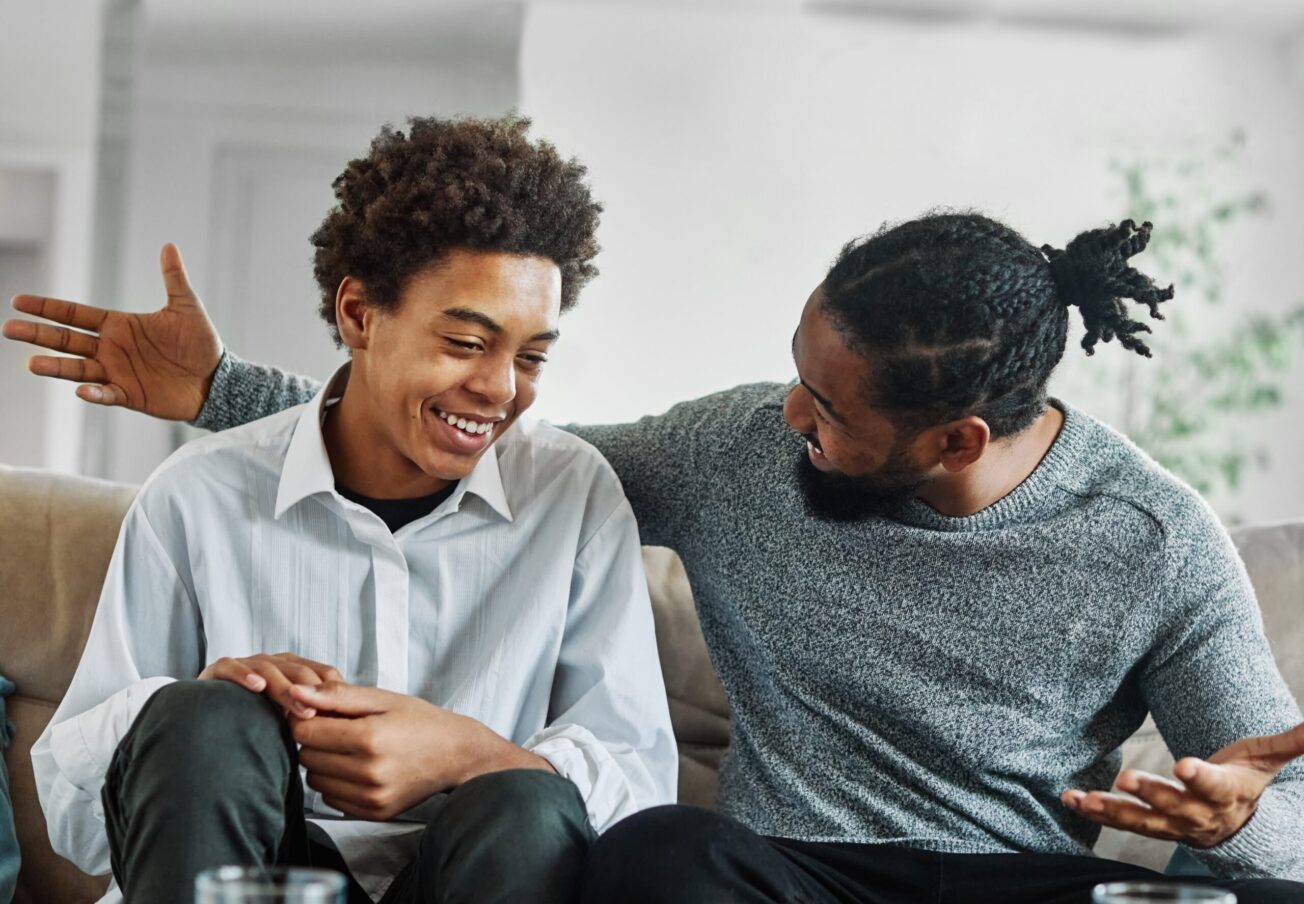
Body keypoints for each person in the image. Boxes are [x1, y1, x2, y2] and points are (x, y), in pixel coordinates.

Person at [7, 212, 1303, 903]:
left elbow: (1275, 819)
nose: (786, 418)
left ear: (955, 436)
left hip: (1010, 881)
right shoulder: (742, 449)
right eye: (799, 372)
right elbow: (506, 454)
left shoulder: (1157, 541)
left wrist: (1238, 823)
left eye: (830, 412)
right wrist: (219, 391)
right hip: (779, 877)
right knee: (651, 860)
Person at [16, 114, 677, 904]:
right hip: (248, 878)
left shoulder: (573, 495)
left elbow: (640, 793)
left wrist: (465, 752)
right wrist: (201, 705)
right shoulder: (200, 493)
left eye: (531, 356)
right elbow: (73, 818)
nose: (502, 389)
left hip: (469, 877)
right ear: (360, 315)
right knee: (201, 719)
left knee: (524, 801)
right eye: (467, 344)